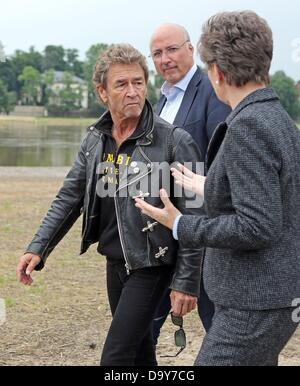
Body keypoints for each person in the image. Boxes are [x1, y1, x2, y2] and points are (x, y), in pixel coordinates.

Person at [16, 44, 203, 366]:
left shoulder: (175, 141)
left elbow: (198, 214)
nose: (133, 92)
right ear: (102, 92)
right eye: (121, 84)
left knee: (115, 357)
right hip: (115, 262)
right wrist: (38, 247)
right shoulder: (95, 140)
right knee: (140, 353)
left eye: (138, 82)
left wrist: (186, 282)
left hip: (152, 264)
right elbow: (70, 197)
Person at [135, 11, 300, 366]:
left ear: (217, 72)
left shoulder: (248, 126)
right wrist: (212, 187)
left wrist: (180, 223)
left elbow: (257, 226)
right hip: (272, 296)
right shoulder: (277, 117)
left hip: (254, 301)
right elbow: (273, 195)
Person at [149, 23, 231, 339]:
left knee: (221, 332)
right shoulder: (161, 100)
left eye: (171, 49)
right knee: (144, 332)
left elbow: (221, 165)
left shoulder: (211, 91)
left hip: (204, 236)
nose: (165, 59)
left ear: (190, 49)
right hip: (162, 235)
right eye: (157, 53)